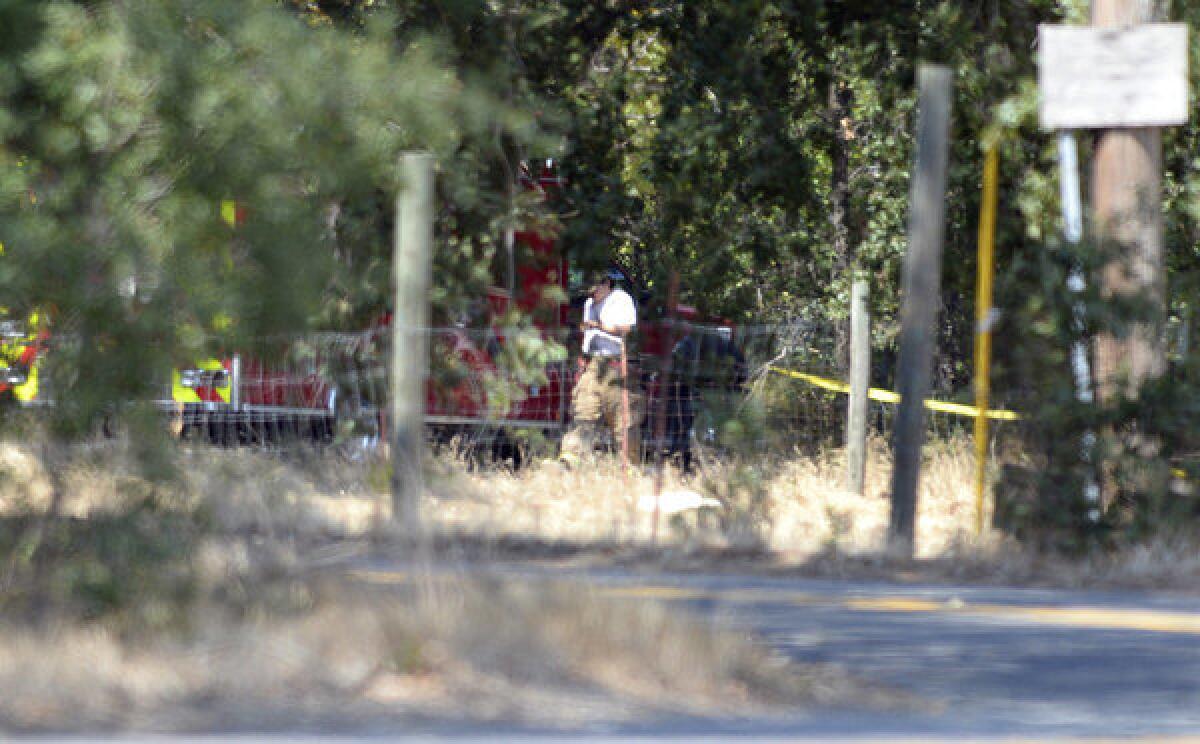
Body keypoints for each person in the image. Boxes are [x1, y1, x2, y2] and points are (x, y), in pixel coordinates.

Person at [559, 271, 640, 466]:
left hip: (617, 364)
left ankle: (628, 465)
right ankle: (571, 458)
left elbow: (626, 329)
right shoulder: (589, 304)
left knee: (621, 418)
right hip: (592, 363)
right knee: (583, 409)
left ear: (607, 284)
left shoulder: (621, 299)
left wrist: (599, 326)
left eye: (595, 289)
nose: (592, 294)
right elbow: (588, 334)